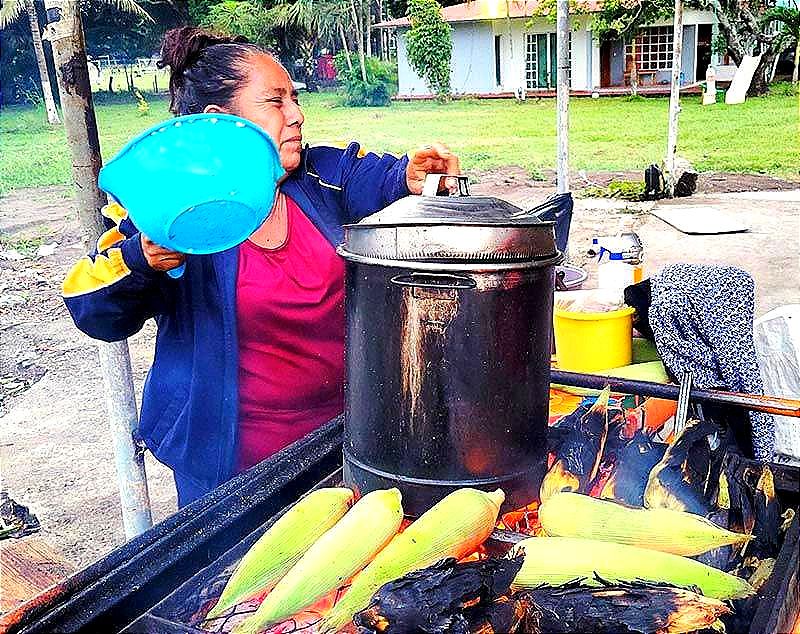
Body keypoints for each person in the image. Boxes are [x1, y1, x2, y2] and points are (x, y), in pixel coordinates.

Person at [62, 27, 460, 506]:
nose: (296, 114)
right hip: (226, 468)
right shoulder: (177, 210)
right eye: (275, 102)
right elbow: (93, 308)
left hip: (342, 444)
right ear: (221, 121)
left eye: (294, 98)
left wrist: (412, 176)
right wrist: (142, 260)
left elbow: (381, 178)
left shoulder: (322, 176)